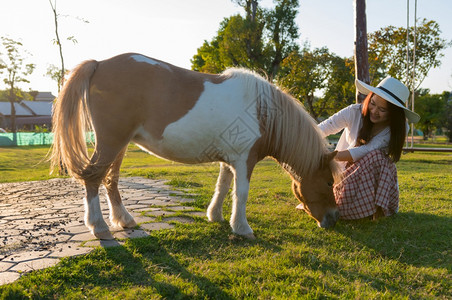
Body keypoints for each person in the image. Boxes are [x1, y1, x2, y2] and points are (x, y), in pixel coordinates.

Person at [315, 77, 420, 220]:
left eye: (382, 109)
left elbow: (365, 151)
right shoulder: (354, 112)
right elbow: (324, 128)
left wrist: (329, 156)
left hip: (369, 173)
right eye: (372, 103)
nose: (374, 111)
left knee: (378, 158)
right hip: (343, 174)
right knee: (375, 158)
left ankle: (376, 209)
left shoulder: (397, 129)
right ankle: (349, 206)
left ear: (394, 114)